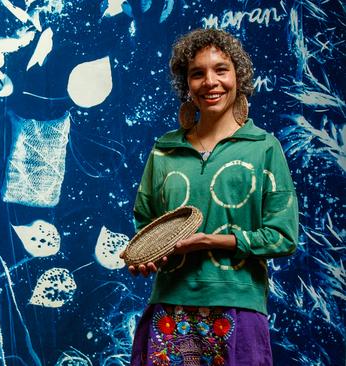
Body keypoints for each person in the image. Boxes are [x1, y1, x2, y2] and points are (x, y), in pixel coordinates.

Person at [127, 29, 298, 365]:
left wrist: (211, 241)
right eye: (197, 73)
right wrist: (147, 256)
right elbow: (147, 226)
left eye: (221, 69)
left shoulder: (264, 147)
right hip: (169, 306)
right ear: (185, 84)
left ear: (239, 76)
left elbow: (282, 237)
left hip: (238, 305)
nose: (210, 82)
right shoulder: (165, 150)